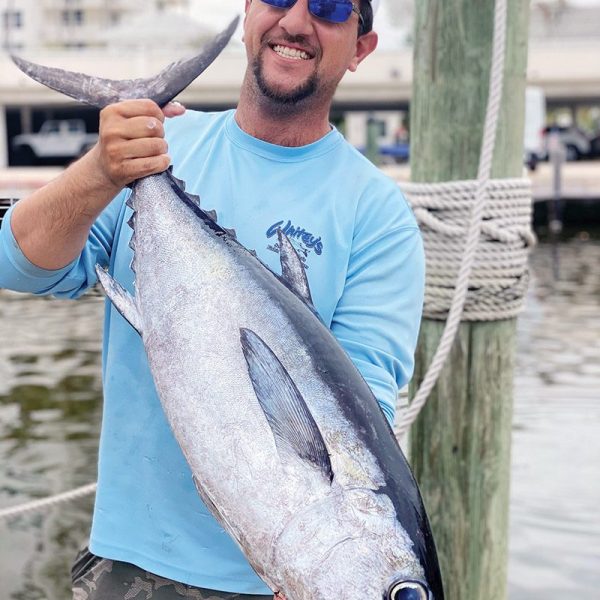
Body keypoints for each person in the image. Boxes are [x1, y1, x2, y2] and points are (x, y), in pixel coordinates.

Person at [0, 1, 425, 598]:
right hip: (128, 569)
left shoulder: (379, 216)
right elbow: (16, 265)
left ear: (361, 48)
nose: (297, 22)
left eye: (330, 6)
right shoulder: (157, 147)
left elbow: (361, 420)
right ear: (249, 13)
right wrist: (100, 171)